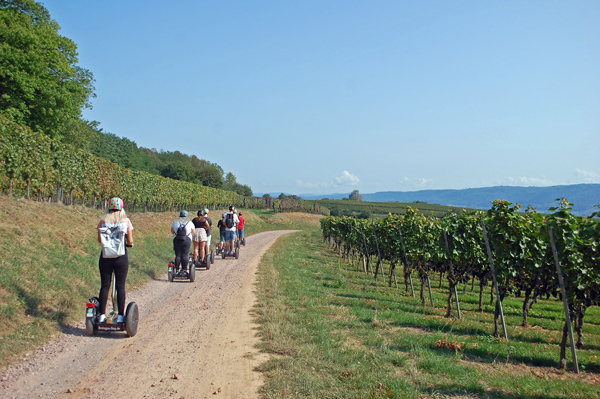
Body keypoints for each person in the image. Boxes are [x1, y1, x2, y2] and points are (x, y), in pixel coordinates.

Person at [96, 197, 134, 324]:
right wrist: (130, 244)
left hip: (105, 256)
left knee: (105, 285)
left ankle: (101, 314)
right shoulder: (125, 221)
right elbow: (130, 241)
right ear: (121, 208)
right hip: (120, 257)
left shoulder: (103, 221)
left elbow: (99, 240)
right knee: (120, 286)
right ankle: (121, 316)